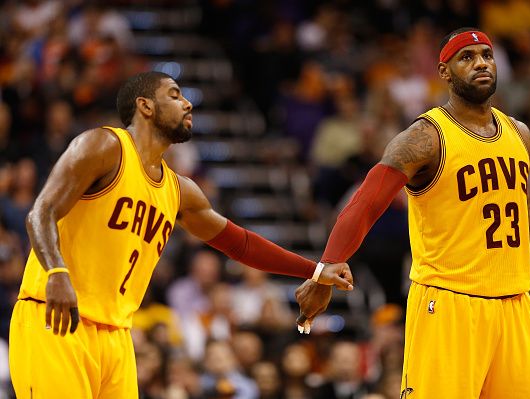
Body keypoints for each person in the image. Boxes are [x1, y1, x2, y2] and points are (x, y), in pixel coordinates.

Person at [8, 71, 353, 399]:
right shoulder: (103, 145)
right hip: (55, 318)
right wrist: (56, 272)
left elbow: (240, 243)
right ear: (145, 106)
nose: (187, 104)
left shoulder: (180, 191)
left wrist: (316, 270)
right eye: (174, 95)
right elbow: (41, 212)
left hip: (116, 335)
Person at [295, 27, 530, 398]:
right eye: (467, 57)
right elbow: (364, 204)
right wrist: (323, 273)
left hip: (515, 307)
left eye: (486, 55)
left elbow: (526, 233)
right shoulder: (425, 137)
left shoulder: (520, 134)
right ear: (444, 72)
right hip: (448, 305)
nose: (480, 63)